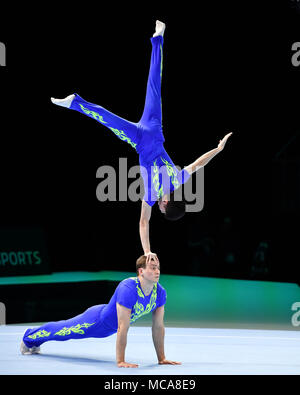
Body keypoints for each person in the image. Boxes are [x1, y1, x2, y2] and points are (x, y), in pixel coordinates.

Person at [51, 20, 233, 264]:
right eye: (163, 209)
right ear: (166, 203)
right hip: (142, 135)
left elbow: (199, 164)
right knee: (108, 117)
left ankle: (158, 38)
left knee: (153, 83)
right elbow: (144, 222)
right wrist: (147, 251)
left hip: (152, 128)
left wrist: (218, 150)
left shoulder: (179, 179)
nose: (159, 209)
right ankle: (75, 102)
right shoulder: (153, 195)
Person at [20, 256, 181, 368]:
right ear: (141, 271)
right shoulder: (128, 288)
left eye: (158, 267)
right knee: (63, 331)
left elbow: (158, 327)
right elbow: (122, 327)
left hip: (107, 329)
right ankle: (29, 338)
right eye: (153, 268)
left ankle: (33, 340)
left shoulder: (160, 292)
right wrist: (121, 361)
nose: (157, 271)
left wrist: (162, 358)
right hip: (96, 321)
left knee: (63, 332)